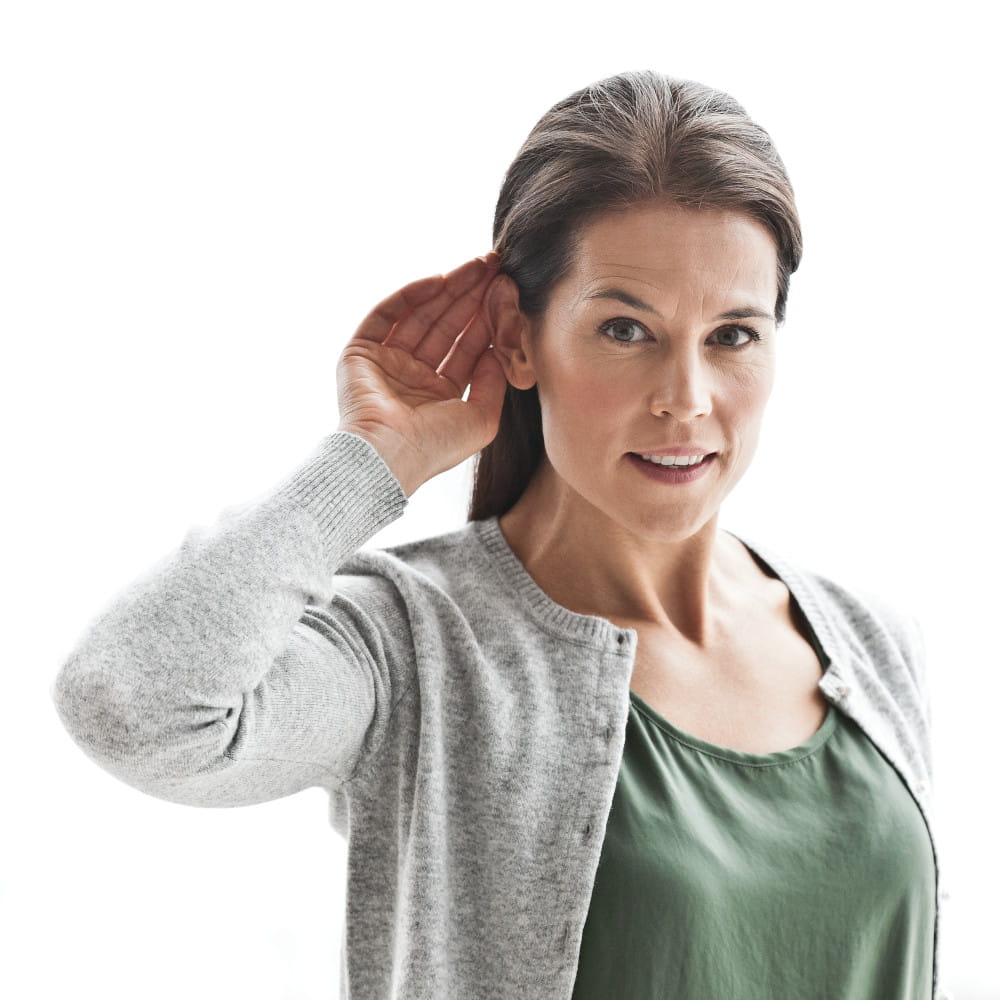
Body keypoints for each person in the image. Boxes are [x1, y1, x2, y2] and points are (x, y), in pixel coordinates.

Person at [51, 70, 948, 999]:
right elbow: (131, 703)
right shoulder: (415, 652)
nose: (686, 398)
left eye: (732, 336)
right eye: (626, 329)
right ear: (519, 339)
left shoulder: (867, 640)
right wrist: (372, 463)